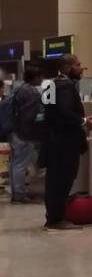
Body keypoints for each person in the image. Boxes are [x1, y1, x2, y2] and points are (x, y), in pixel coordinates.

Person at [40, 54, 89, 231]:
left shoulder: (49, 84)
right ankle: (57, 218)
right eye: (78, 65)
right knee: (63, 180)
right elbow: (65, 113)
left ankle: (52, 216)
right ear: (68, 67)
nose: (81, 68)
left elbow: (49, 113)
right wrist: (83, 121)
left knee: (53, 181)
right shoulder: (66, 86)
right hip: (65, 143)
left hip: (52, 141)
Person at [7, 65, 43, 204]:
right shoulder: (32, 93)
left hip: (13, 130)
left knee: (15, 163)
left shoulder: (18, 89)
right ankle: (19, 195)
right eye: (40, 76)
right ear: (35, 77)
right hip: (23, 133)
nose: (42, 79)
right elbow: (31, 115)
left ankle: (16, 192)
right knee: (21, 164)